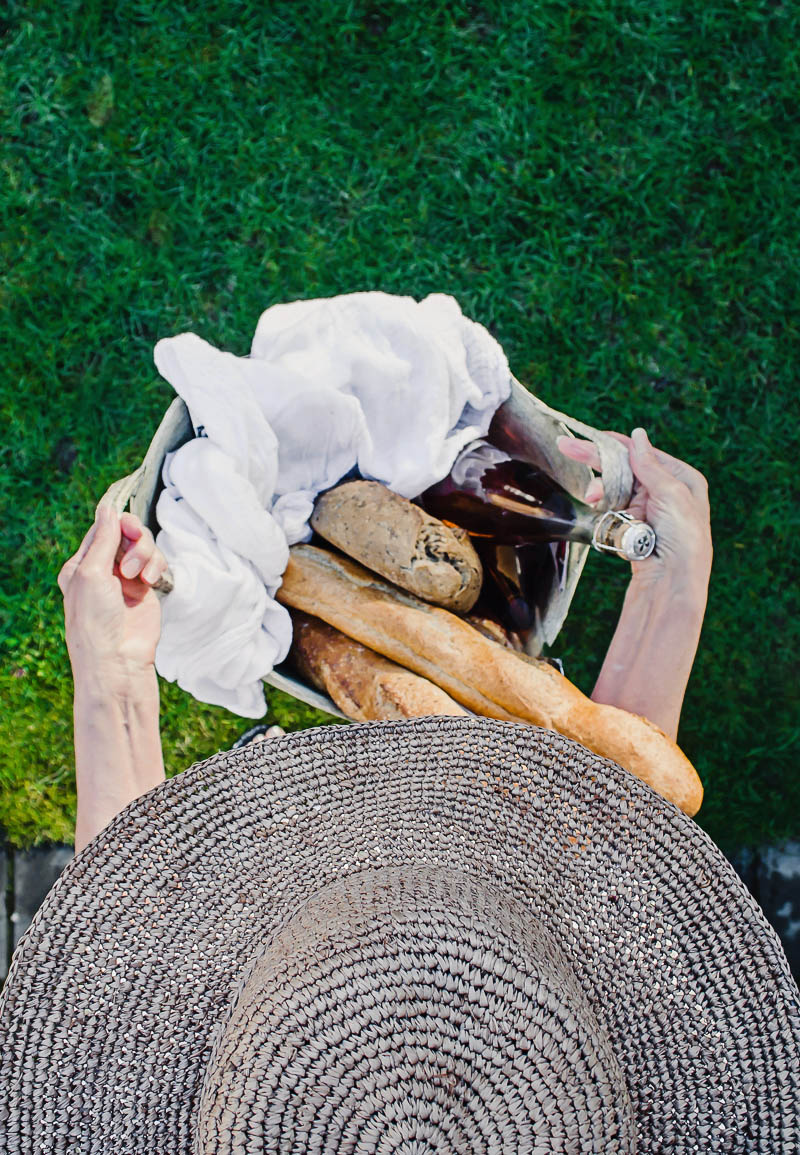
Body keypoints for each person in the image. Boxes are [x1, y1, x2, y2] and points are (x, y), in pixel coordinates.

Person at [57, 426, 712, 855]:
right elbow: (618, 826)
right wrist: (667, 588)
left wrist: (113, 678)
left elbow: (122, 959)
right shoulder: (568, 938)